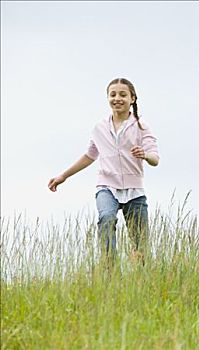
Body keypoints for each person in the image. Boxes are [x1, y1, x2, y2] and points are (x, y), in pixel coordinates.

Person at [48, 78, 159, 264]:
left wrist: (145, 154)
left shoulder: (141, 126)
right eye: (113, 94)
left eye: (123, 94)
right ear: (107, 98)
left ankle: (140, 271)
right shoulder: (99, 127)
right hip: (107, 186)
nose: (117, 98)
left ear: (132, 98)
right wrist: (63, 176)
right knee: (106, 218)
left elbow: (155, 159)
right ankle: (109, 266)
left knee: (141, 245)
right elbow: (89, 156)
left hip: (135, 191)